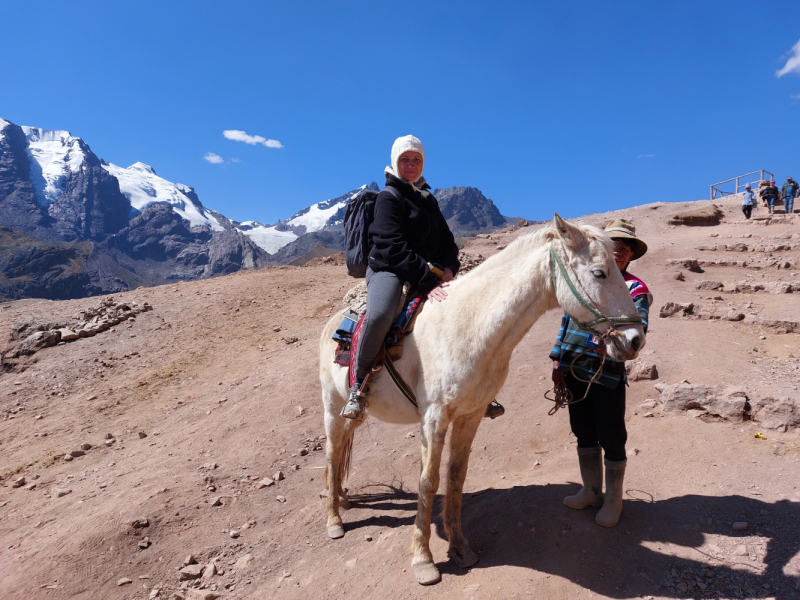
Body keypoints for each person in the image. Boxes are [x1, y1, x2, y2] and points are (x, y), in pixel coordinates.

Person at [341, 135, 504, 421]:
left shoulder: (428, 199)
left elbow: (447, 241)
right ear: (395, 162)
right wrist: (428, 280)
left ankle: (474, 387)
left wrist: (450, 266)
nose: (411, 164)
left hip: (424, 270)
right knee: (380, 314)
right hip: (389, 269)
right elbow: (390, 245)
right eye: (405, 159)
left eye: (417, 159)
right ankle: (359, 383)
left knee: (465, 313)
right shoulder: (387, 198)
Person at [549, 218, 652, 527]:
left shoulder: (635, 288)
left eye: (624, 248)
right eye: (613, 247)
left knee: (611, 434)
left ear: (631, 254)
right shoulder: (583, 280)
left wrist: (608, 346)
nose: (618, 253)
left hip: (607, 373)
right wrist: (557, 361)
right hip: (574, 368)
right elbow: (566, 323)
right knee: (583, 430)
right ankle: (591, 490)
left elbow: (638, 330)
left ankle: (613, 500)